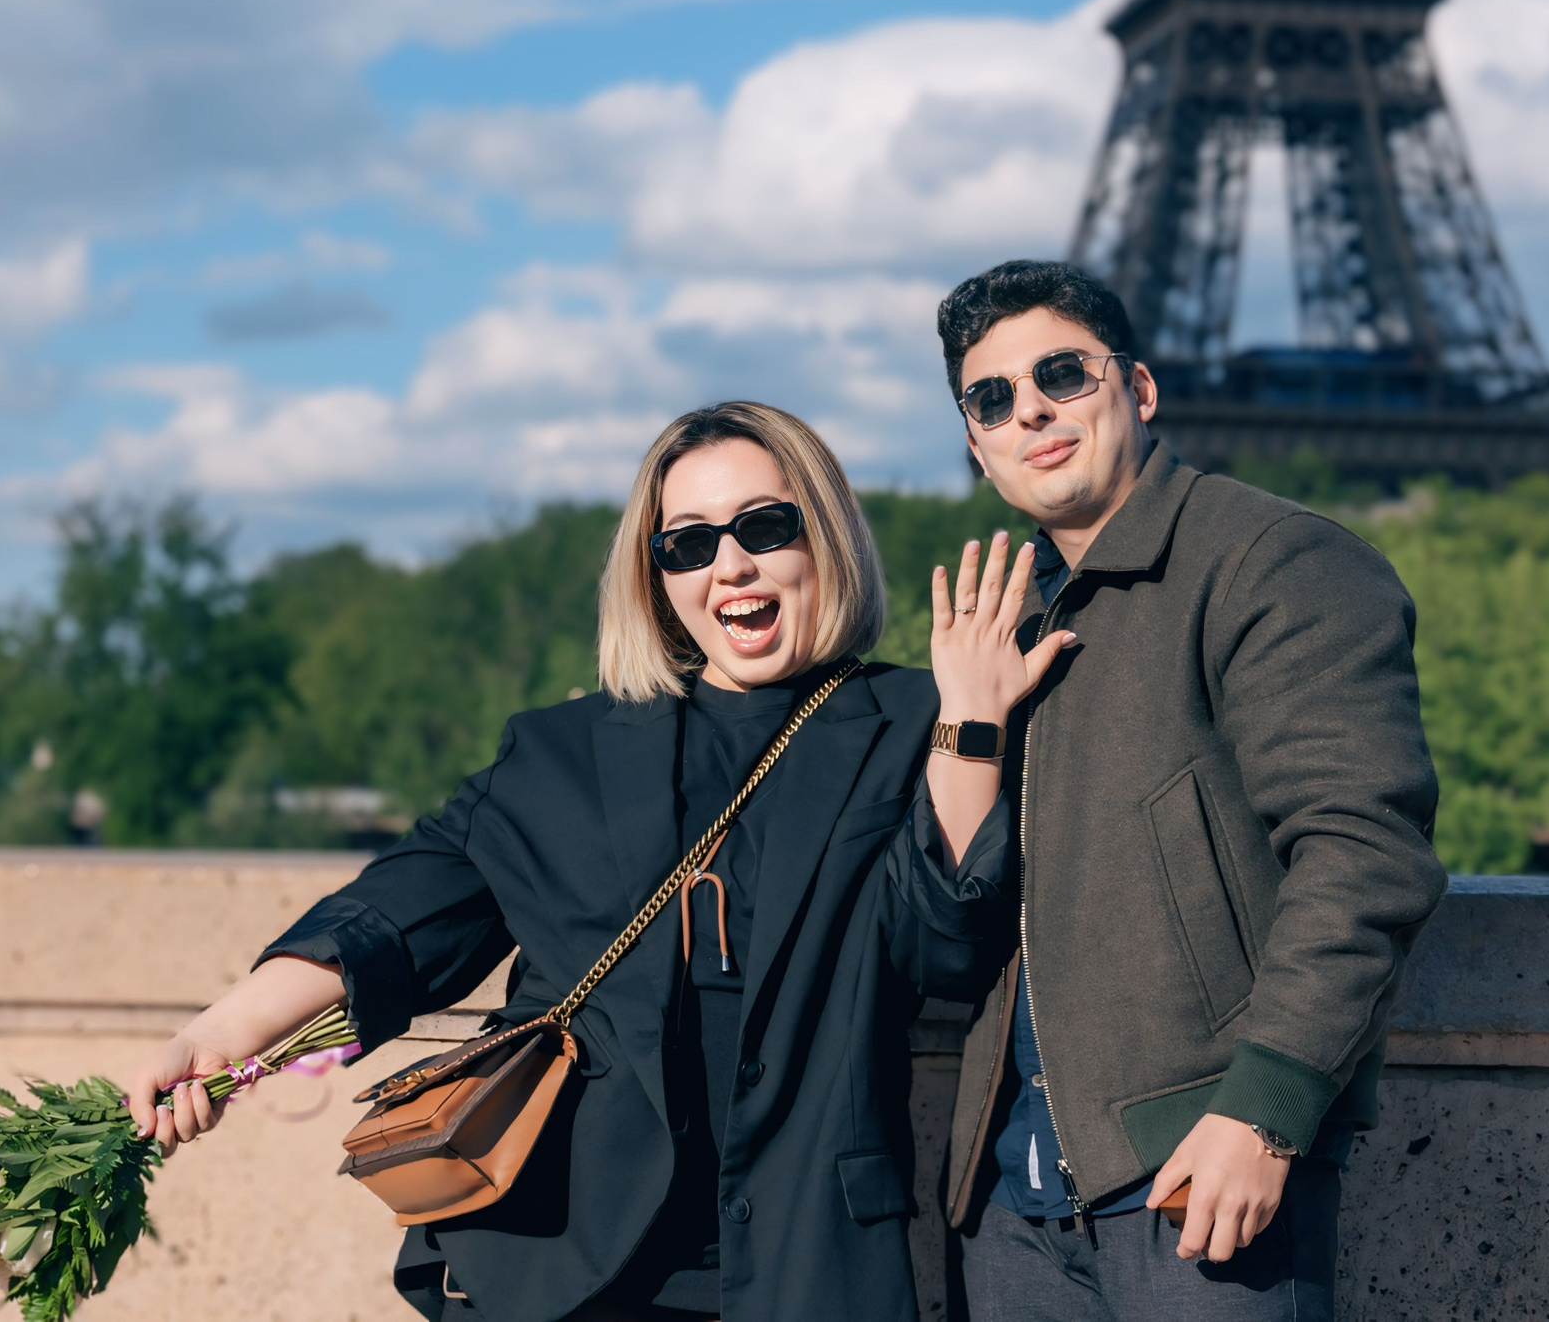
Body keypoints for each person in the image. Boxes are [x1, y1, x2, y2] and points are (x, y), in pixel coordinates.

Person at [128, 401, 1069, 1322]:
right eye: (688, 543)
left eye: (765, 526)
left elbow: (948, 944)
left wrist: (971, 725)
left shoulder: (915, 723)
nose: (730, 564)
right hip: (575, 1265)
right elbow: (399, 913)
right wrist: (220, 1034)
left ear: (824, 535)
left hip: (816, 1258)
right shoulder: (558, 754)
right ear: (655, 574)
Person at [933, 260, 1446, 1319]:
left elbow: (1362, 852)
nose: (1030, 407)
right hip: (1015, 1203)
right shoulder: (1001, 622)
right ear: (978, 450)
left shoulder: (1275, 561)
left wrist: (1266, 1110)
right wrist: (965, 721)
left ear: (1138, 389)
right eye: (993, 398)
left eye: (1062, 374)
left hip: (1196, 1176)